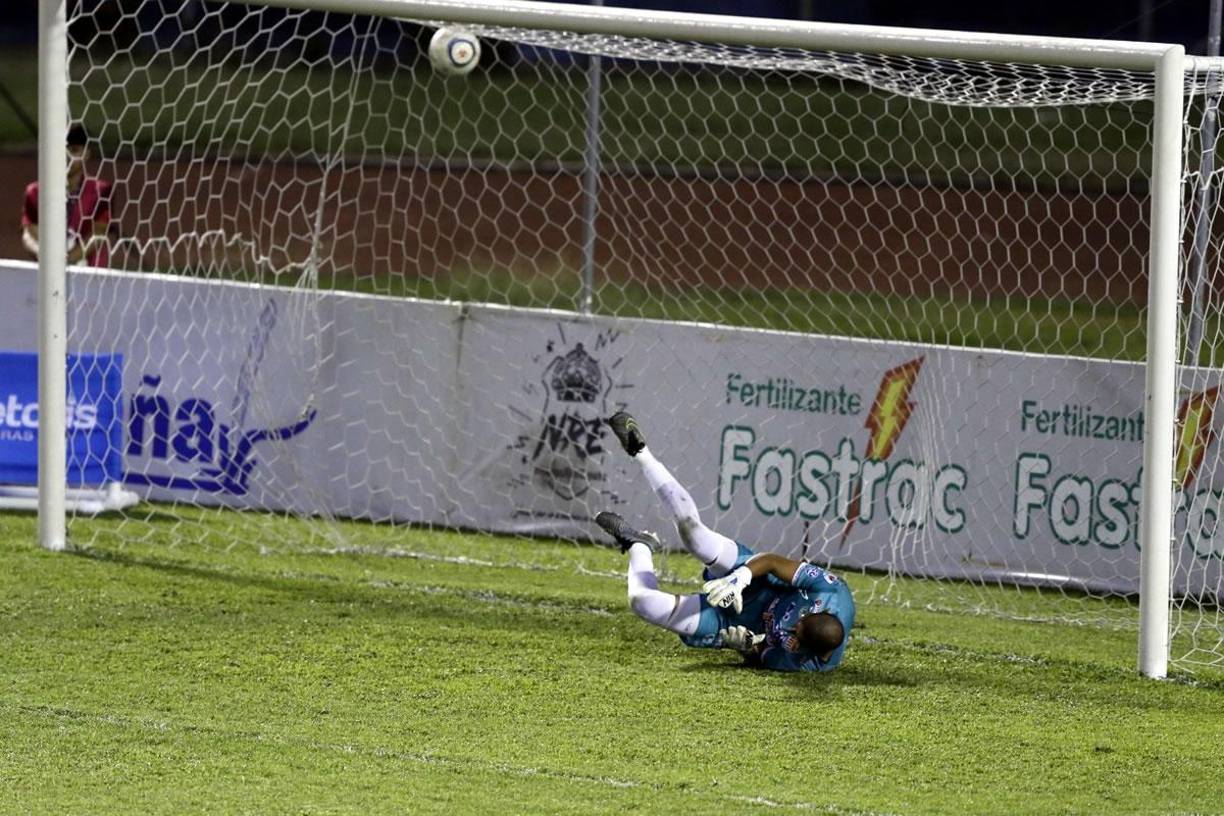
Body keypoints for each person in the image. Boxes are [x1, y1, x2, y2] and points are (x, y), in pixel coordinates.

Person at [595, 411, 855, 672]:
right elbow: (774, 563)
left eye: (796, 632)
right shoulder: (832, 592)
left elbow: (763, 656)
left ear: (806, 648)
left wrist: (744, 647)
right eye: (802, 618)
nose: (793, 625)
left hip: (737, 620)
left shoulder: (806, 664)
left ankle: (639, 546)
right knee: (694, 535)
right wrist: (739, 578)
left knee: (642, 602)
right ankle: (641, 452)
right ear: (820, 612)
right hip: (760, 581)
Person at [22, 124, 112, 267]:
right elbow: (29, 234)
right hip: (48, 279)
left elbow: (99, 234)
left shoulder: (100, 191)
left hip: (89, 279)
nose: (67, 156)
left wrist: (65, 262)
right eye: (61, 149)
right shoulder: (35, 192)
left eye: (74, 150)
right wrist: (43, 255)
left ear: (87, 153)